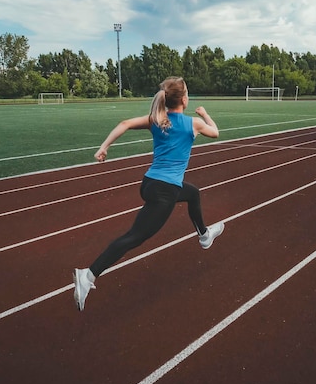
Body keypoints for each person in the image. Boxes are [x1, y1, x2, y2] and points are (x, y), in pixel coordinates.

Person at [73, 76, 225, 311]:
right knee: (135, 237)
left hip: (150, 184)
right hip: (165, 191)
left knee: (193, 193)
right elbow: (215, 132)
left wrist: (104, 147)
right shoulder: (193, 124)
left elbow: (123, 124)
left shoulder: (157, 120)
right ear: (184, 99)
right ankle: (89, 275)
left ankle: (204, 236)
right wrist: (204, 114)